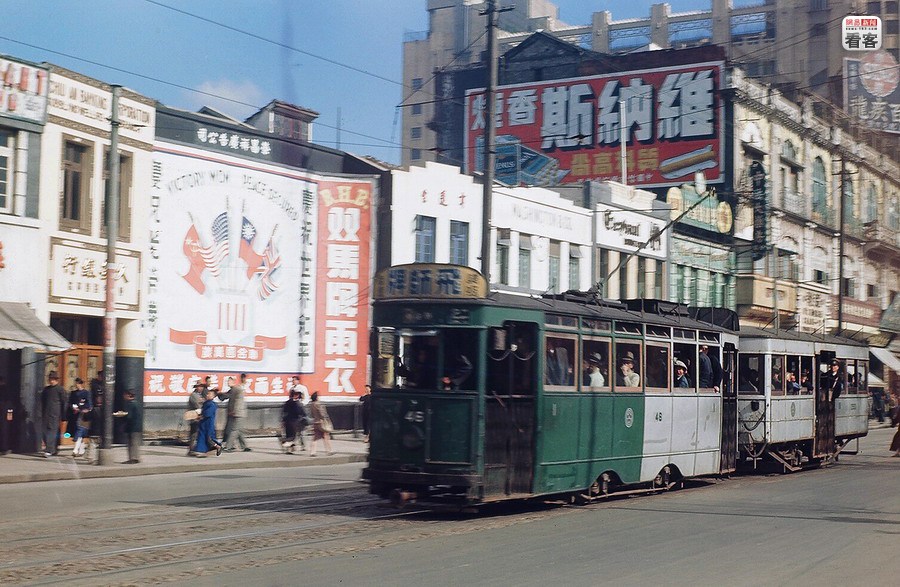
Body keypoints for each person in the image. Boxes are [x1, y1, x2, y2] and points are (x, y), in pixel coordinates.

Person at [218, 373, 250, 452]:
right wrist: (219, 394)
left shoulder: (238, 388)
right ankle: (234, 446)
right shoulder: (235, 389)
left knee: (237, 430)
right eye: (227, 382)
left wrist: (233, 411)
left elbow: (235, 401)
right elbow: (227, 397)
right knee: (237, 429)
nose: (228, 383)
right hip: (237, 413)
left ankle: (237, 446)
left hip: (239, 412)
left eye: (230, 381)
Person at [40, 371, 67, 457]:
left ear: (57, 380)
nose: (51, 381)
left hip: (55, 413)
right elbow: (42, 401)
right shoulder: (46, 390)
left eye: (53, 379)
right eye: (50, 379)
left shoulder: (60, 389)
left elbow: (64, 402)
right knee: (44, 431)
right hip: (45, 413)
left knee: (52, 431)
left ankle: (49, 449)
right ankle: (54, 448)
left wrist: (63, 415)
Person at [195, 386, 223, 457]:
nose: (208, 395)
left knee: (209, 438)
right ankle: (202, 451)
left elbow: (208, 413)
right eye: (207, 394)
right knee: (201, 437)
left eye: (210, 394)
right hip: (203, 423)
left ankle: (217, 446)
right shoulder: (206, 403)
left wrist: (202, 415)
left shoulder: (212, 404)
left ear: (213, 396)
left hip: (208, 423)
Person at [117, 390, 143, 464]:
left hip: (132, 427)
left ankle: (133, 458)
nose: (123, 397)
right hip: (137, 426)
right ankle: (136, 458)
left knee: (131, 443)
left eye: (125, 395)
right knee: (135, 443)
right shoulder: (137, 403)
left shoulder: (130, 404)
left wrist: (121, 415)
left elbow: (128, 415)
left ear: (128, 395)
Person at [70, 378, 92, 457]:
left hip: (84, 415)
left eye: (78, 384)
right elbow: (71, 402)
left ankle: (76, 449)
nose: (77, 385)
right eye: (76, 384)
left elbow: (89, 403)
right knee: (79, 431)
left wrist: (84, 409)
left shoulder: (86, 393)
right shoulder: (73, 393)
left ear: (81, 384)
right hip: (75, 414)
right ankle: (80, 450)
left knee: (81, 431)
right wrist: (73, 407)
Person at [308, 391, 333, 457]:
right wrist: (326, 418)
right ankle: (329, 451)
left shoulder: (311, 405)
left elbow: (311, 414)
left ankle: (312, 452)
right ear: (316, 397)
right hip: (321, 422)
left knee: (315, 438)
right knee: (326, 436)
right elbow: (322, 413)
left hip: (315, 422)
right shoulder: (318, 404)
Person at [281, 389, 305, 454]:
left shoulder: (287, 402)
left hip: (286, 421)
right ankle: (284, 441)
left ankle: (289, 450)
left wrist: (282, 420)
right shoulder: (296, 403)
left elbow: (283, 411)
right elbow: (300, 412)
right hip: (294, 421)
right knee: (293, 436)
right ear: (295, 395)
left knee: (288, 434)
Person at [186, 381, 204, 456]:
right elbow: (198, 405)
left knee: (196, 433)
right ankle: (191, 450)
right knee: (193, 433)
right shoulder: (194, 395)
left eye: (201, 386)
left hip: (198, 416)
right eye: (199, 386)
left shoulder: (199, 395)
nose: (201, 388)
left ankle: (194, 449)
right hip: (194, 417)